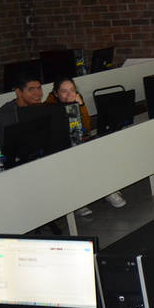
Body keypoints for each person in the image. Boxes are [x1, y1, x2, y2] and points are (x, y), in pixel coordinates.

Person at [46, 78, 126, 212]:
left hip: (77, 143)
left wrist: (81, 106)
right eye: (64, 91)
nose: (69, 94)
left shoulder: (76, 102)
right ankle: (78, 200)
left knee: (101, 150)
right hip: (59, 149)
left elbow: (87, 127)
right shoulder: (49, 107)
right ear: (56, 93)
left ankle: (107, 190)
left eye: (72, 90)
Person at [0, 72, 43, 147]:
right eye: (31, 89)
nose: (38, 93)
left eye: (39, 88)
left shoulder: (36, 107)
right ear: (18, 92)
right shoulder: (7, 115)